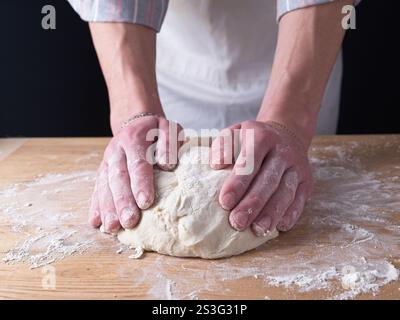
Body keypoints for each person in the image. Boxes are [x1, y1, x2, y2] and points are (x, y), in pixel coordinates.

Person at [68, 0, 360, 236]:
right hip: (167, 57)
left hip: (300, 51)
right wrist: (133, 111)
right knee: (152, 178)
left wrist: (289, 122)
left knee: (278, 183)